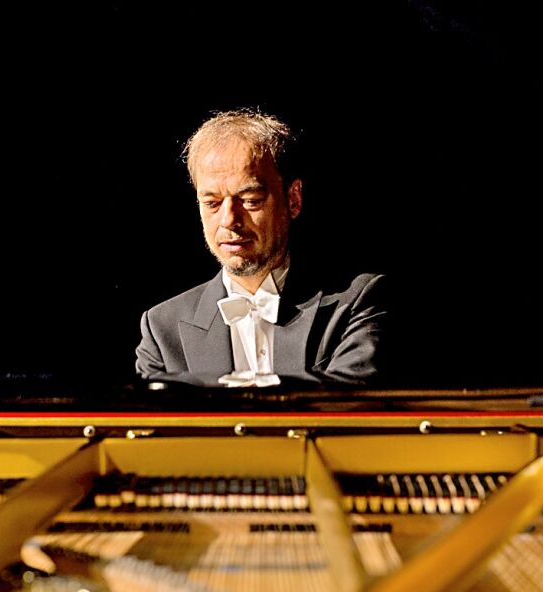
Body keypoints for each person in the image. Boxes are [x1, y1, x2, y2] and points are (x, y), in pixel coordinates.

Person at [135, 109, 387, 385]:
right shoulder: (161, 327)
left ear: (293, 200)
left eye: (251, 200)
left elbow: (350, 405)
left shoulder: (355, 300)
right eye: (212, 203)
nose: (229, 220)